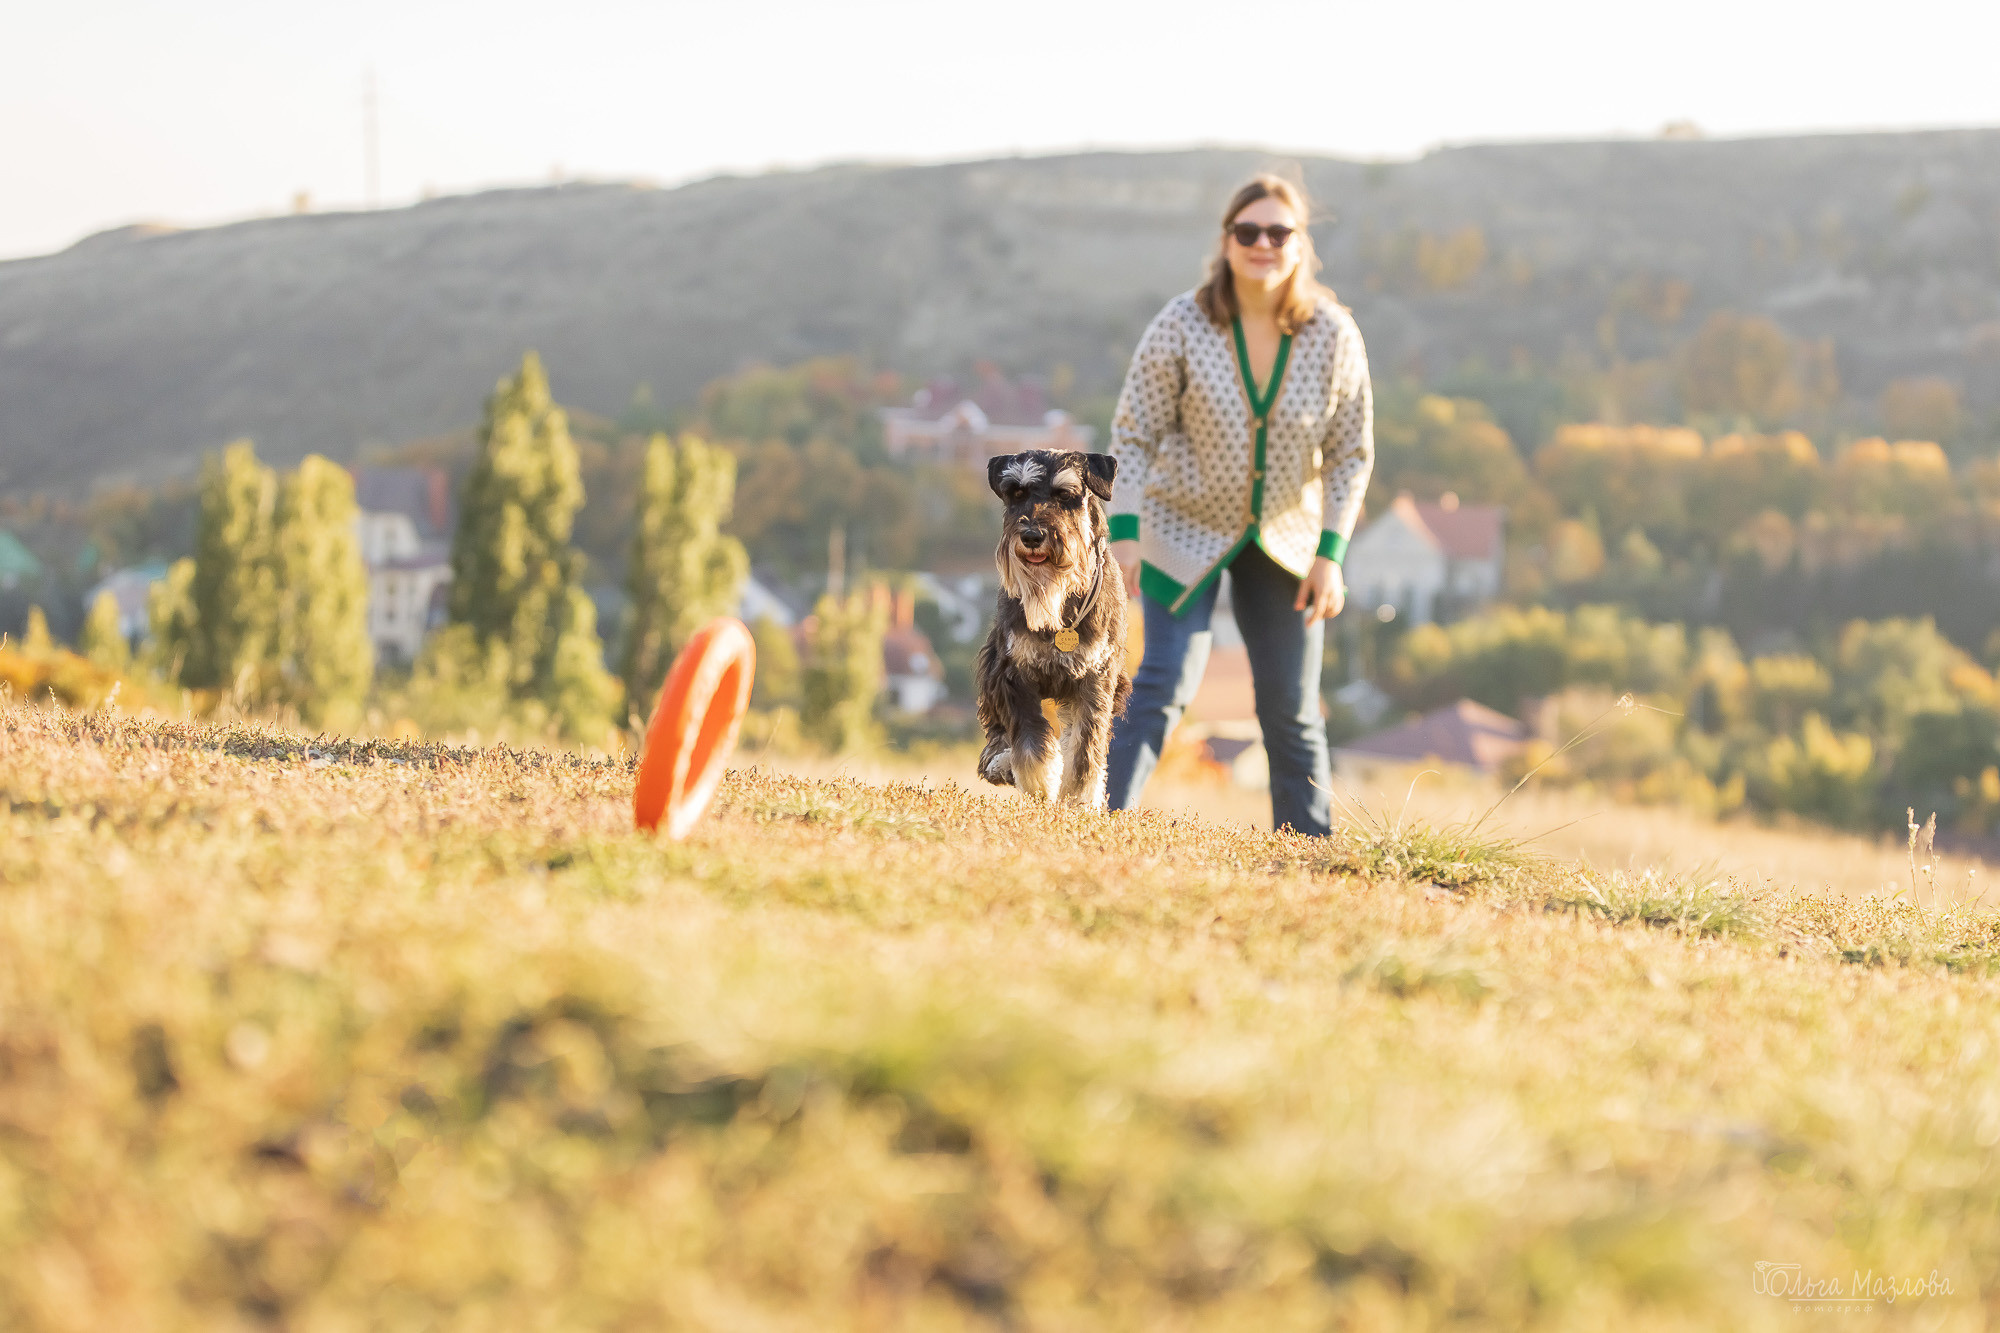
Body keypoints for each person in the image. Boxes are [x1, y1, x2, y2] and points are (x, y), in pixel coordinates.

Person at [1103, 174, 1374, 835]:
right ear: (1226, 242)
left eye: (1279, 232)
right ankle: (1100, 826)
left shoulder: (1332, 335)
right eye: (1247, 231)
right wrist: (1125, 532)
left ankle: (1310, 853)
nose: (1263, 243)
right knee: (1162, 682)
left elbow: (1351, 454)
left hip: (1287, 541)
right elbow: (1133, 433)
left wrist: (1330, 556)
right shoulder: (1182, 325)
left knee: (1291, 705)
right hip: (1179, 527)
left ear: (1300, 244)